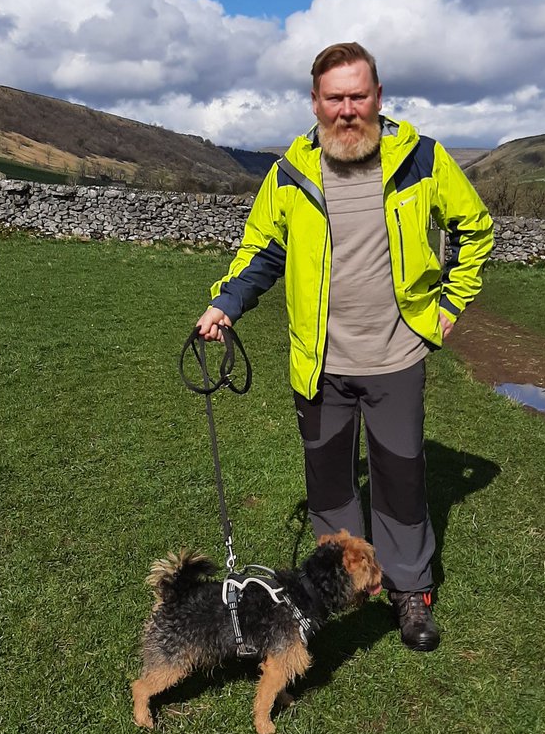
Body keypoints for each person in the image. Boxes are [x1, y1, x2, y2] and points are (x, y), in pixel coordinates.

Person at [196, 42, 493, 651]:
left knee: (403, 481)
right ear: (315, 102)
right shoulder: (290, 173)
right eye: (335, 98)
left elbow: (476, 229)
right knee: (331, 485)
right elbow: (262, 251)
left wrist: (448, 307)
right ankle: (333, 597)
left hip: (396, 358)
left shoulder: (423, 161)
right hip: (320, 363)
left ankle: (411, 592)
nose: (348, 110)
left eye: (359, 96)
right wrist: (226, 302)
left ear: (379, 97)